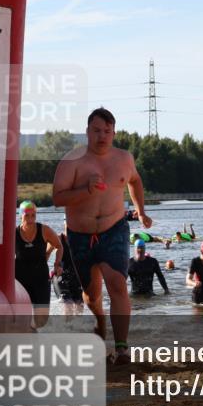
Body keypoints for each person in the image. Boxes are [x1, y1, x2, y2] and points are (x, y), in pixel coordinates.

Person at [53, 107, 152, 364]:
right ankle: (99, 319)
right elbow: (57, 198)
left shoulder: (124, 158)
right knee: (91, 295)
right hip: (80, 235)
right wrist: (85, 190)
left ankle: (121, 349)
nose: (102, 136)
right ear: (87, 132)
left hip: (114, 230)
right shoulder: (72, 161)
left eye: (107, 131)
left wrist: (140, 212)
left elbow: (135, 181)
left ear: (114, 133)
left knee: (117, 284)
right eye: (97, 130)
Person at [14, 201, 64, 329]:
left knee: (42, 320)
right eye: (27, 215)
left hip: (40, 278)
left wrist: (57, 264)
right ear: (21, 216)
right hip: (20, 280)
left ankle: (33, 330)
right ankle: (26, 338)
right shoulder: (13, 234)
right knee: (21, 317)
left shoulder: (44, 230)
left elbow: (59, 245)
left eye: (33, 215)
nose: (30, 219)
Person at [54, 219, 85, 317]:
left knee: (80, 309)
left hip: (76, 278)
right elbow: (45, 253)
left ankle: (76, 330)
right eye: (68, 225)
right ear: (64, 224)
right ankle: (66, 329)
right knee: (69, 306)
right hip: (61, 277)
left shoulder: (81, 241)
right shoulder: (58, 238)